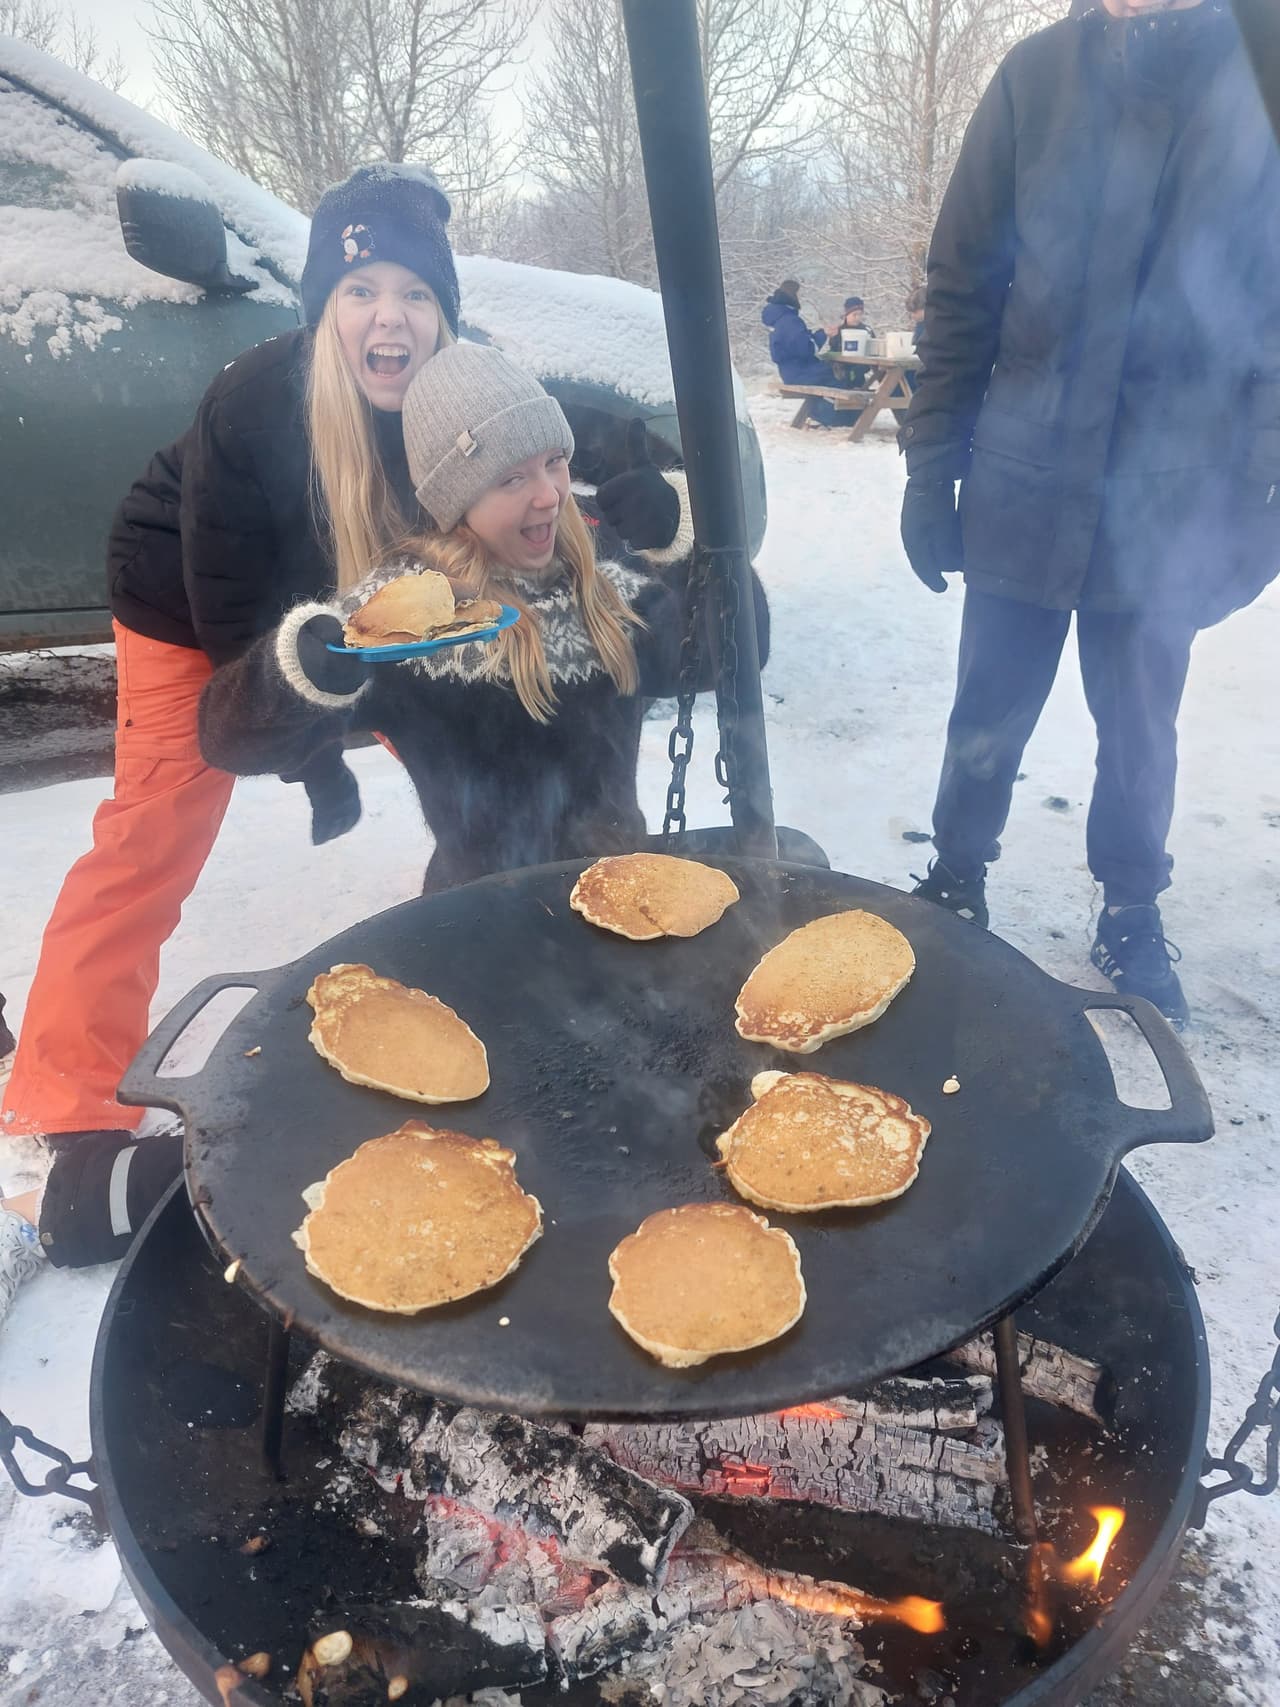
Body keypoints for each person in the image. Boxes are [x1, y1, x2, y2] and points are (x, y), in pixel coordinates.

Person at [0, 165, 687, 1293]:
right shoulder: (255, 404)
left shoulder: (458, 388)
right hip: (203, 608)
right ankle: (56, 1107)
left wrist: (642, 490)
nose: (391, 317)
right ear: (325, 306)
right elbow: (236, 633)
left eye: (415, 293)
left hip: (368, 619)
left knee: (480, 760)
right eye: (361, 287)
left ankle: (528, 970)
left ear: (444, 313)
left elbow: (570, 434)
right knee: (155, 827)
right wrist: (316, 756)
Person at [899, 0, 1280, 1028]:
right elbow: (962, 286)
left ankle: (1129, 905)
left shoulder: (1261, 72)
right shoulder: (1034, 78)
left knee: (1139, 723)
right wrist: (931, 464)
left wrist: (1261, 495)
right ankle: (954, 877)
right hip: (1026, 480)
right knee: (988, 702)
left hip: (1172, 497)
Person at [198, 342, 769, 892]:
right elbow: (232, 742)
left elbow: (730, 658)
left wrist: (691, 544)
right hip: (476, 916)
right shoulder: (410, 616)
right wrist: (298, 671)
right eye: (512, 478)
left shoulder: (607, 582)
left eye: (555, 462)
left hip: (622, 896)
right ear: (455, 499)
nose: (549, 495)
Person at [762, 279, 841, 426]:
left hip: (789, 372)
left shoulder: (778, 318)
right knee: (837, 374)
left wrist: (818, 334)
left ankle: (821, 414)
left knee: (831, 370)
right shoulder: (790, 320)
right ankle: (826, 417)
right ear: (793, 296)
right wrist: (823, 334)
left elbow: (797, 342)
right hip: (800, 373)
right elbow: (807, 349)